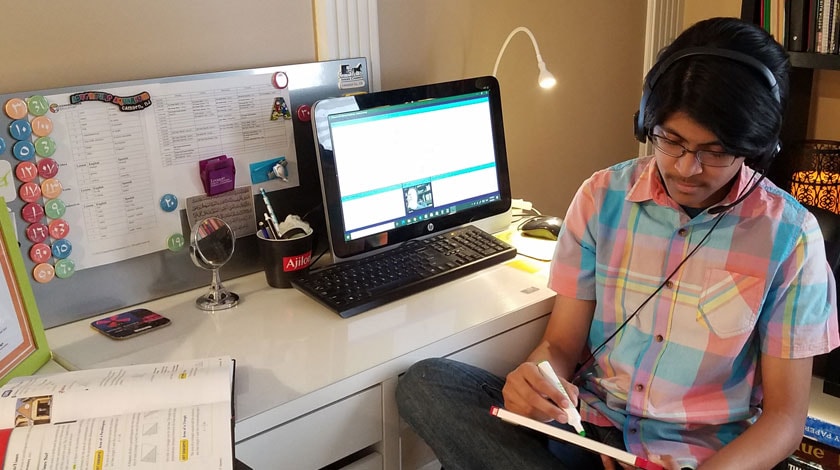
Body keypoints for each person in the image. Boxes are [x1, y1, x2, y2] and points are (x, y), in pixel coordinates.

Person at [396, 17, 840, 470]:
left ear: (756, 146)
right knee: (428, 384)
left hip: (699, 457)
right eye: (672, 141)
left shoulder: (791, 238)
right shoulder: (600, 196)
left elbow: (786, 419)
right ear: (648, 121)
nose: (687, 168)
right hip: (588, 430)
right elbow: (561, 345)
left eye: (716, 151)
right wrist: (536, 379)